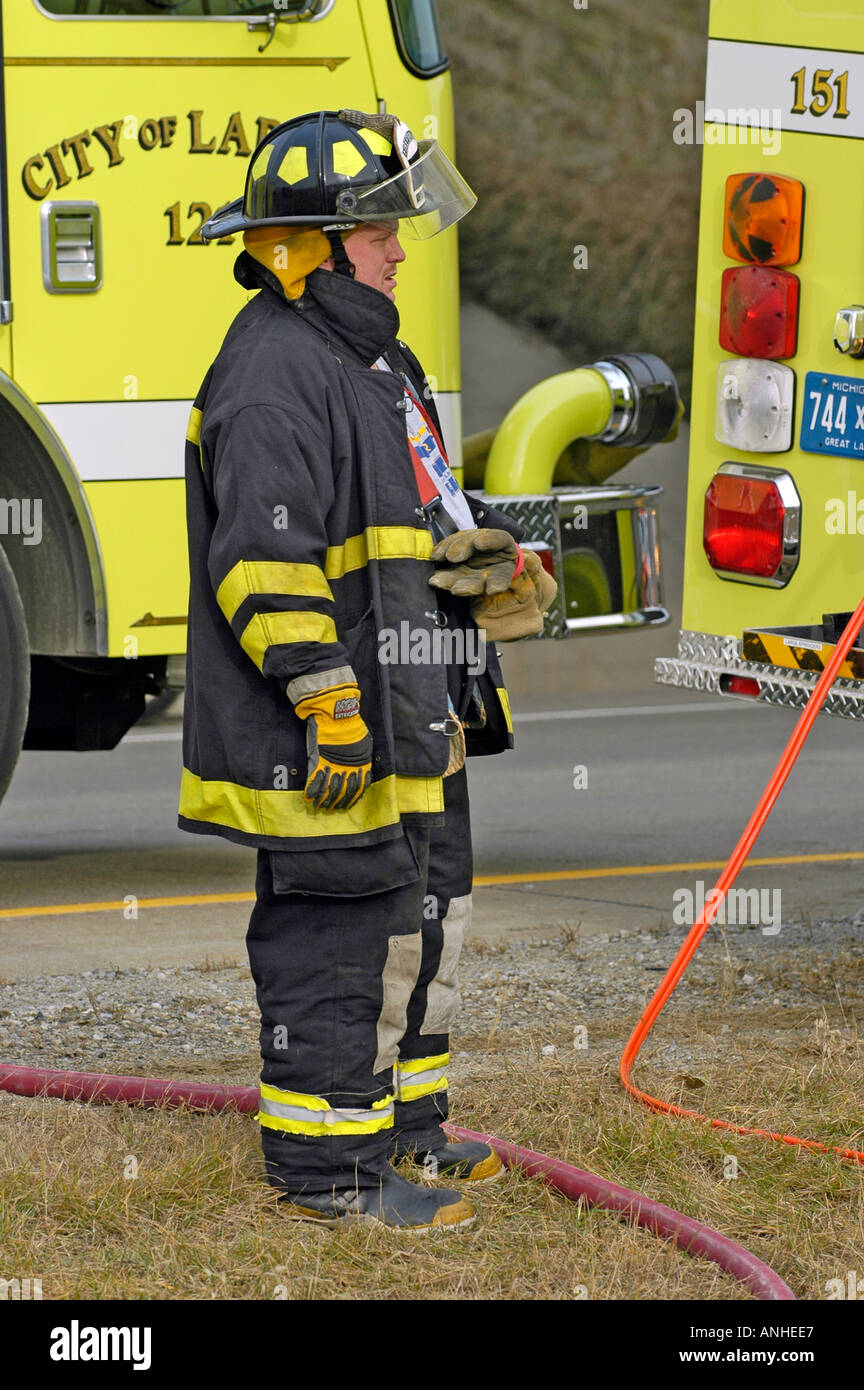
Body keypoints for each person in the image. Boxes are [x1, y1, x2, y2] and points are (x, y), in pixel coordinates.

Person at [179, 109, 556, 1231]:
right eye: (380, 228)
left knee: (421, 920)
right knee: (338, 940)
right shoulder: (270, 374)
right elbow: (261, 558)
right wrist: (325, 697)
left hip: (414, 716)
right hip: (335, 736)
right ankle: (327, 1178)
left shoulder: (377, 358)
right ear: (313, 244)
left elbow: (409, 522)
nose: (401, 246)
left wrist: (482, 565)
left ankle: (409, 1136)